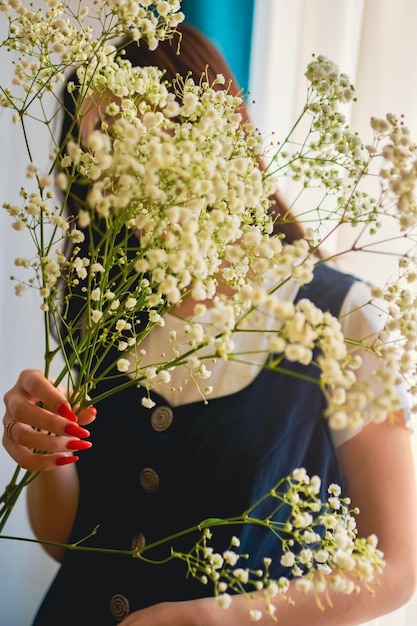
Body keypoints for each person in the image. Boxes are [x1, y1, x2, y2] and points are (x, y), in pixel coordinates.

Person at [2, 23, 417, 626]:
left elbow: (396, 568)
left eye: (132, 133)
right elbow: (68, 542)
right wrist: (45, 457)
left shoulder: (337, 317)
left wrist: (219, 618)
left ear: (210, 129)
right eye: (93, 144)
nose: (110, 166)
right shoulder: (110, 309)